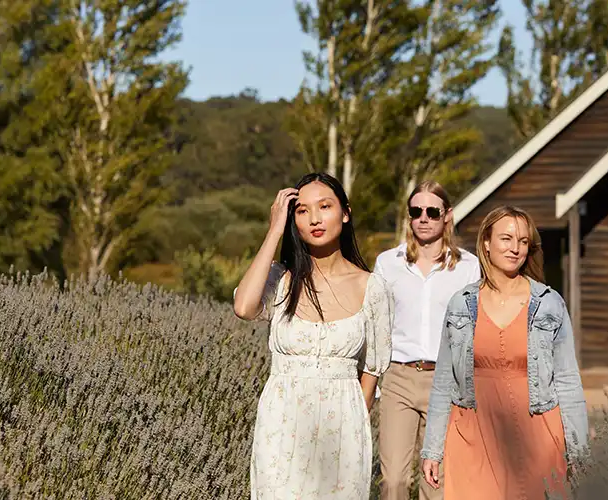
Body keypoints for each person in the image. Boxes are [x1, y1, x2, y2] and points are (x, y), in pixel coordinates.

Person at [232, 172, 393, 500]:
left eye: (325, 206)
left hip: (343, 432)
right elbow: (244, 307)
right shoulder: (280, 281)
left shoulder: (373, 288)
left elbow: (373, 370)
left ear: (345, 213)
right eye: (302, 211)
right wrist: (275, 229)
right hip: (281, 426)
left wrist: (352, 428)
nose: (315, 218)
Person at [420, 205, 589, 500]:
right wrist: (432, 450)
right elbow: (444, 382)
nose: (515, 249)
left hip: (538, 434)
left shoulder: (550, 304)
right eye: (506, 239)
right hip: (473, 434)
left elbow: (568, 382)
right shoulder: (461, 304)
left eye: (523, 242)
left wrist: (578, 451)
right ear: (486, 242)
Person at [372, 181, 480, 500]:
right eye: (416, 211)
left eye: (432, 211)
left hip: (445, 382)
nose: (424, 218)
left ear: (447, 216)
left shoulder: (469, 268)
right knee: (393, 482)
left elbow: (474, 332)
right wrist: (376, 382)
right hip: (399, 378)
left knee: (437, 483)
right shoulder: (387, 264)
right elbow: (378, 325)